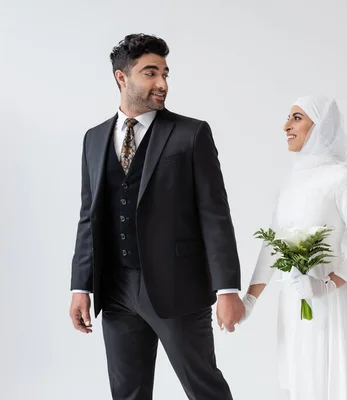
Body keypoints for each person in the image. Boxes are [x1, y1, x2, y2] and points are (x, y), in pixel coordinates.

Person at [68, 33, 245, 400]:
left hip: (177, 286)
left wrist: (227, 288)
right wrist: (80, 286)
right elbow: (89, 218)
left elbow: (215, 214)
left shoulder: (191, 133)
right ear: (122, 77)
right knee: (127, 393)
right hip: (114, 289)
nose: (162, 83)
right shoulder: (94, 138)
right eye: (151, 73)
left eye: (165, 73)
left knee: (204, 388)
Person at [241, 95, 347, 399]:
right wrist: (249, 301)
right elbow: (273, 246)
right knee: (302, 380)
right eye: (288, 117)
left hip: (329, 301)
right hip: (293, 302)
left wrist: (326, 284)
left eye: (296, 117)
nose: (285, 126)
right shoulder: (291, 182)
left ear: (319, 126)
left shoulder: (343, 179)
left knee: (328, 379)